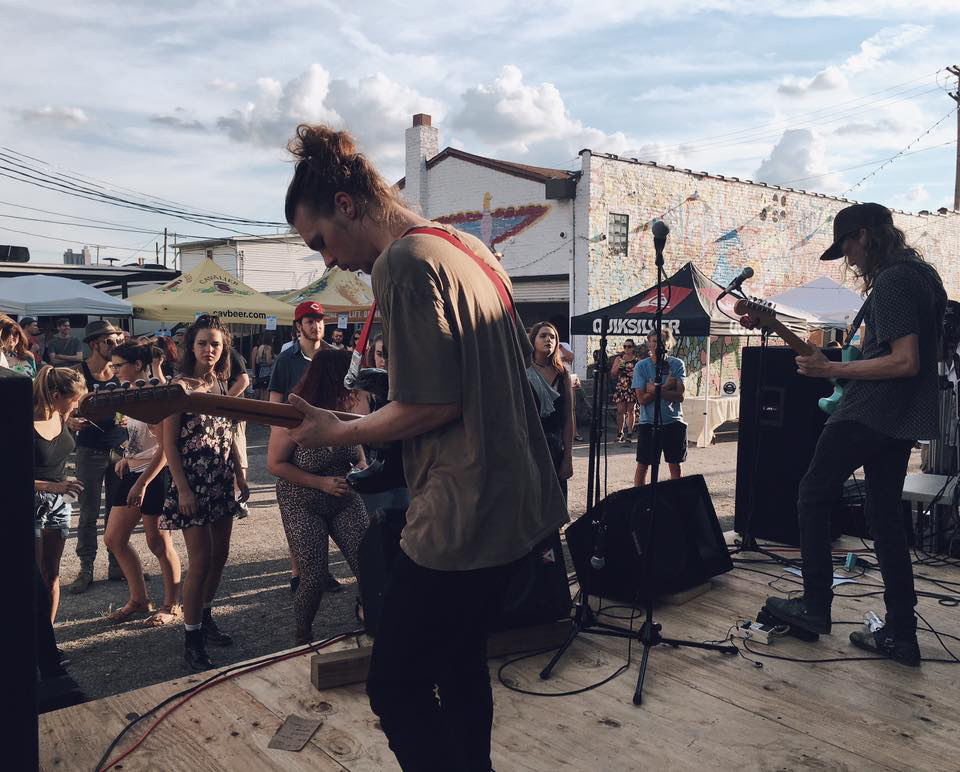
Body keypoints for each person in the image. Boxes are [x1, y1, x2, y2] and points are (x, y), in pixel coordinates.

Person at [282, 123, 567, 770]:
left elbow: (435, 405)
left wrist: (341, 431)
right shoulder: (465, 246)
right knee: (460, 662)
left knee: (396, 686)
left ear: (347, 206)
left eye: (320, 241)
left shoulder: (403, 264)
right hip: (523, 505)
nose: (327, 261)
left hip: (462, 517)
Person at [745, 203, 946, 666]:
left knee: (813, 495)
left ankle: (815, 607)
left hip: (871, 411)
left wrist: (833, 367)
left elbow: (904, 360)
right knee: (885, 522)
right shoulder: (920, 276)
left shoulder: (895, 280)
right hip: (898, 421)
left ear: (865, 236)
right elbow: (863, 358)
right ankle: (901, 633)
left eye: (849, 248)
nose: (850, 260)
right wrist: (775, 326)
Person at [161, 315, 249, 670]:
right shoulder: (178, 387)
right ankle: (192, 638)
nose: (209, 349)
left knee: (220, 555)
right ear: (191, 347)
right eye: (202, 343)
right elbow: (169, 444)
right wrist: (182, 488)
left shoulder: (220, 384)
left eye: (215, 343)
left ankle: (205, 616)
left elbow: (227, 434)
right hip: (191, 484)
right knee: (200, 559)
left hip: (220, 480)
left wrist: (240, 475)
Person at [268, 349, 369, 644]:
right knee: (313, 577)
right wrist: (320, 483)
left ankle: (368, 615)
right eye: (350, 376)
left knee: (369, 564)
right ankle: (303, 634)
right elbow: (275, 464)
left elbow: (358, 451)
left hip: (344, 498)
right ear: (334, 378)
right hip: (302, 500)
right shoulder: (294, 414)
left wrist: (362, 469)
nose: (356, 382)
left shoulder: (349, 405)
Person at [103, 342, 182, 626]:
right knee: (113, 538)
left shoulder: (153, 394)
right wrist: (128, 455)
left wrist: (144, 482)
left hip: (155, 474)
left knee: (158, 542)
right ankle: (138, 600)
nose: (114, 372)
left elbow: (165, 448)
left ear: (138, 365)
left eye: (118, 366)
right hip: (134, 469)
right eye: (112, 366)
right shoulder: (130, 393)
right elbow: (138, 436)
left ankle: (172, 605)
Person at [268, 301, 341, 594]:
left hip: (332, 435)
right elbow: (274, 403)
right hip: (295, 438)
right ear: (298, 326)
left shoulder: (335, 357)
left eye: (320, 320)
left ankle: (322, 571)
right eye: (310, 321)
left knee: (331, 507)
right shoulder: (286, 360)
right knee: (299, 511)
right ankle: (300, 573)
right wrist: (283, 433)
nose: (316, 325)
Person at [66, 320, 127, 593]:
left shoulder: (120, 370)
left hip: (120, 450)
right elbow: (62, 408)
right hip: (89, 449)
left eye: (118, 340)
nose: (116, 346)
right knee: (89, 512)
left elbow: (133, 401)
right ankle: (86, 568)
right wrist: (70, 421)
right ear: (94, 344)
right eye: (110, 342)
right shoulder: (78, 374)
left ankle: (117, 565)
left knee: (117, 511)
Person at [33, 365, 87, 622]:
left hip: (60, 502)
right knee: (32, 579)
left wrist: (62, 486)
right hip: (32, 503)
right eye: (74, 400)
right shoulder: (24, 423)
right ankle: (30, 645)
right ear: (56, 396)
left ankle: (48, 643)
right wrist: (52, 486)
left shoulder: (60, 415)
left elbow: (57, 454)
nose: (76, 406)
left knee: (52, 575)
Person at [632, 328, 686, 486]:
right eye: (655, 341)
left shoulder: (677, 364)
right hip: (648, 423)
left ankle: (676, 502)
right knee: (643, 465)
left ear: (669, 344)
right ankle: (639, 501)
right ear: (649, 343)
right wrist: (667, 386)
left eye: (662, 341)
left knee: (675, 465)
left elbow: (680, 396)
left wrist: (655, 389)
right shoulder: (641, 366)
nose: (658, 345)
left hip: (673, 422)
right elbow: (641, 399)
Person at [526, 322, 575, 498]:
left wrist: (568, 457)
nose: (548, 339)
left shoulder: (563, 375)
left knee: (555, 503)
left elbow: (569, 417)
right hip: (529, 446)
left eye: (553, 337)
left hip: (555, 447)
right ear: (533, 340)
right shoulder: (523, 372)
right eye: (543, 336)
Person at [610, 339, 639, 444]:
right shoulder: (619, 359)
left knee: (631, 410)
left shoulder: (637, 360)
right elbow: (613, 373)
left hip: (632, 386)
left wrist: (634, 374)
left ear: (633, 348)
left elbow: (640, 374)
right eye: (625, 346)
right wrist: (619, 366)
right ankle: (620, 432)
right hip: (621, 386)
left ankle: (630, 433)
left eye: (629, 346)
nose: (627, 348)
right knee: (620, 410)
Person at [559, 341, 584, 441]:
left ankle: (574, 432)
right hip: (554, 378)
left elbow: (571, 357)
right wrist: (562, 359)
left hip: (568, 378)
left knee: (571, 407)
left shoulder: (564, 345)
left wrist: (560, 347)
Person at [251, 332, 275, 400]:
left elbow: (256, 361)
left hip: (260, 373)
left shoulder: (260, 348)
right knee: (262, 394)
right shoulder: (267, 348)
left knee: (260, 393)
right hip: (263, 373)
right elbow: (268, 361)